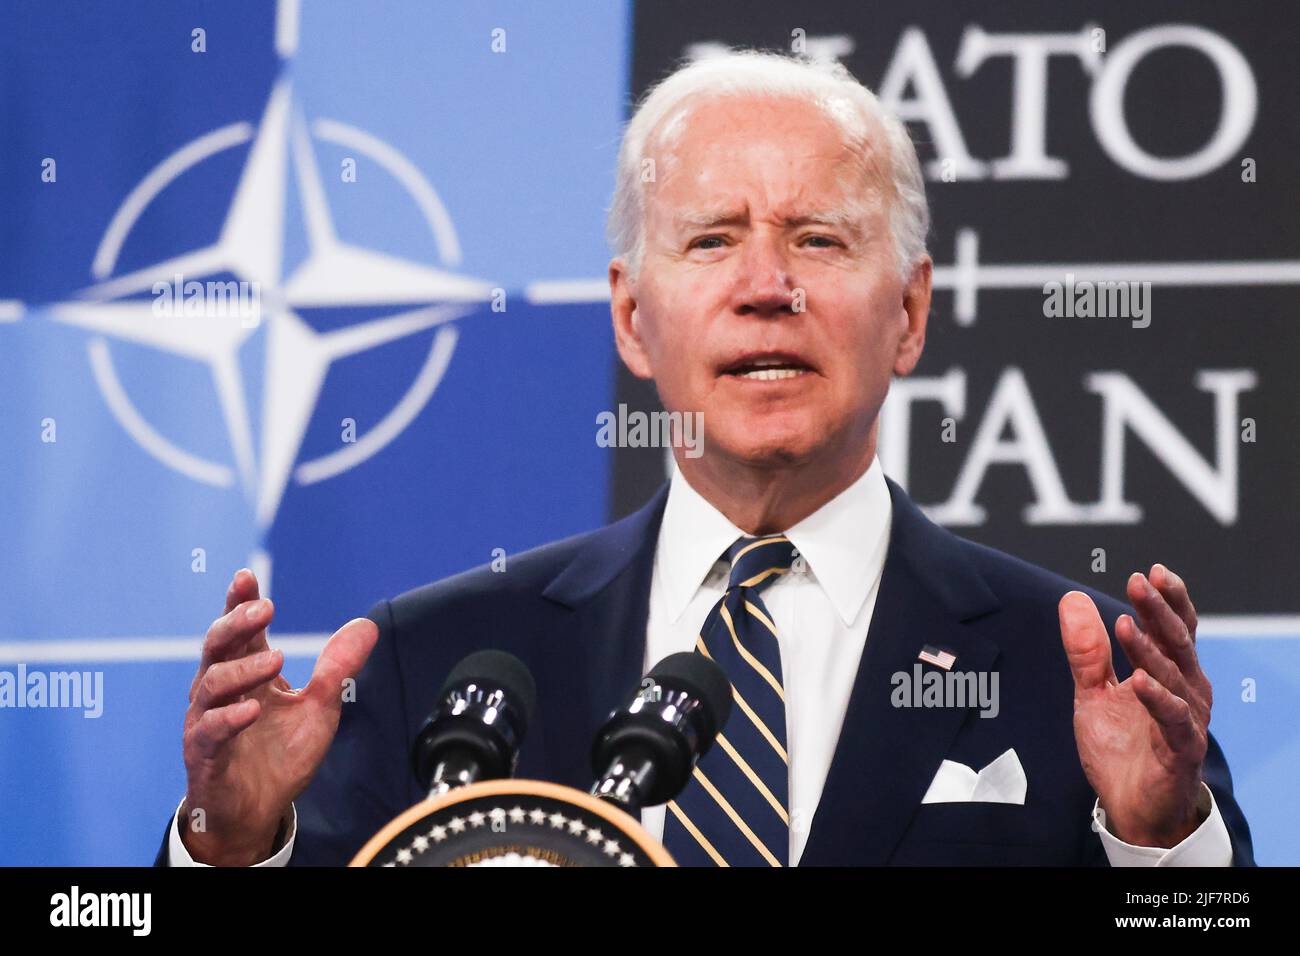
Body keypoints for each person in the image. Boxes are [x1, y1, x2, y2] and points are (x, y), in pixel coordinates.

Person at [160, 50, 1253, 867]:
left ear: (910, 312)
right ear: (633, 318)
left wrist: (1159, 841)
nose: (766, 282)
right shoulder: (440, 659)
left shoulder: (1079, 673)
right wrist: (227, 836)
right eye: (712, 238)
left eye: (818, 238)